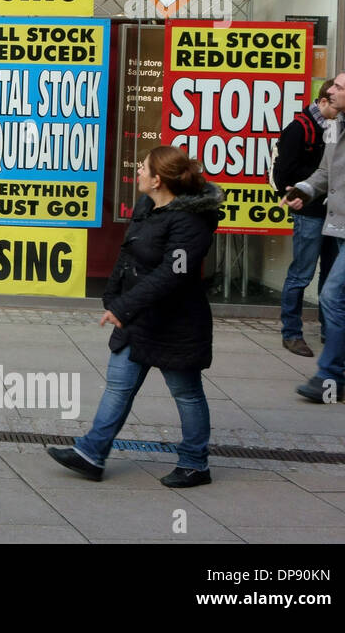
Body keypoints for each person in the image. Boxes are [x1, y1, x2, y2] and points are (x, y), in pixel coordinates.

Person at [49, 146, 223, 487]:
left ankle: (194, 463)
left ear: (158, 180)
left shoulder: (190, 222)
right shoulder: (148, 207)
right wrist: (113, 297)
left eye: (142, 168)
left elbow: (173, 274)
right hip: (139, 318)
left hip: (176, 322)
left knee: (186, 392)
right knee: (118, 385)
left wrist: (125, 306)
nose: (137, 172)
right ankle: (91, 453)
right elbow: (128, 254)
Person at [284, 68, 345, 401]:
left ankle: (330, 377)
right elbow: (324, 173)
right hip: (338, 225)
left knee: (332, 295)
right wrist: (304, 191)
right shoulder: (335, 127)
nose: (330, 92)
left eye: (339, 87)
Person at [273, 82, 340, 356]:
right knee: (301, 274)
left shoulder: (337, 126)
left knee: (332, 274)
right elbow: (283, 172)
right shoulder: (299, 128)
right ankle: (291, 333)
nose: (342, 111)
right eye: (337, 105)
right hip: (310, 211)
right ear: (323, 101)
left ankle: (330, 331)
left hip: (333, 211)